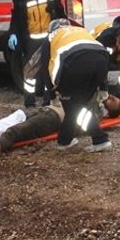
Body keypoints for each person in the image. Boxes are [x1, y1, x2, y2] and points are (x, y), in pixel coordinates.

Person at [34, 19, 112, 152]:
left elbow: (45, 69)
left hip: (76, 65)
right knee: (76, 105)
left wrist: (52, 95)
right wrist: (103, 87)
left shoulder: (51, 37)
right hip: (102, 60)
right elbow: (93, 52)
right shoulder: (79, 30)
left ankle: (100, 139)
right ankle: (64, 140)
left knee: (73, 108)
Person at [6, 0, 65, 107]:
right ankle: (29, 102)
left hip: (49, 37)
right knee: (30, 73)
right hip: (31, 40)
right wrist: (13, 34)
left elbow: (60, 11)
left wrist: (62, 25)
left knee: (48, 71)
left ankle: (48, 101)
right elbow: (16, 19)